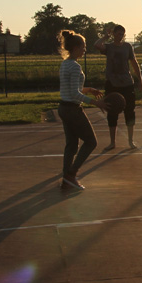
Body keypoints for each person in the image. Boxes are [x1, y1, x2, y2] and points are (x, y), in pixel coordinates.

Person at [57, 29, 106, 191]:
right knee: (91, 142)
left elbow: (72, 89)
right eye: (83, 46)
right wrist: (95, 103)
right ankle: (71, 174)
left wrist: (89, 89)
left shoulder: (65, 64)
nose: (85, 49)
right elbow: (74, 93)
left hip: (64, 108)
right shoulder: (75, 66)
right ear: (76, 47)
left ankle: (67, 179)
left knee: (71, 145)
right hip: (72, 110)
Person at [93, 24, 142, 150]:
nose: (120, 36)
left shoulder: (127, 47)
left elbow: (134, 63)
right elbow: (97, 45)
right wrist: (106, 36)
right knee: (112, 113)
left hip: (127, 84)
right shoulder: (109, 47)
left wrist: (140, 80)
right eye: (118, 33)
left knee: (129, 112)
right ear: (114, 34)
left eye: (122, 34)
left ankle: (131, 141)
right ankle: (112, 142)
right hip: (112, 84)